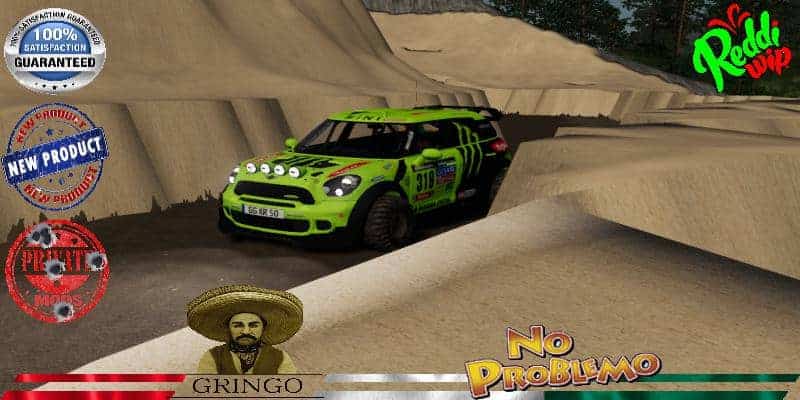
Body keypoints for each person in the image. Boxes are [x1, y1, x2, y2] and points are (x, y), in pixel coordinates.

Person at [187, 285, 303, 374]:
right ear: (228, 328)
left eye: (253, 325)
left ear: (263, 328)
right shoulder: (213, 357)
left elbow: (289, 390)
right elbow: (206, 390)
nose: (246, 331)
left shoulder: (280, 358)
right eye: (238, 325)